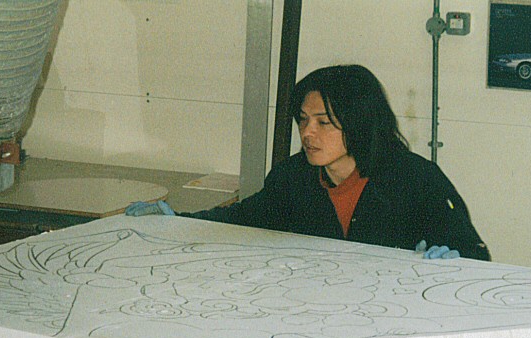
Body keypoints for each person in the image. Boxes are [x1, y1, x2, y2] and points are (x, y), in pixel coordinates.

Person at [126, 64, 490, 261]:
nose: (307, 133)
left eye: (323, 122)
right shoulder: (292, 177)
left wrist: (455, 260)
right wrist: (175, 222)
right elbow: (241, 220)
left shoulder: (414, 178)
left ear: (360, 124)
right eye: (302, 119)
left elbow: (474, 253)